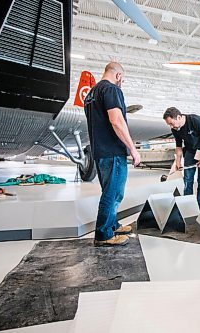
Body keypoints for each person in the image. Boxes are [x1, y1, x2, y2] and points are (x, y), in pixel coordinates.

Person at [84, 62, 141, 247]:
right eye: (122, 79)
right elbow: (116, 121)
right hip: (113, 151)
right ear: (117, 76)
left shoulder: (91, 94)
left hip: (99, 152)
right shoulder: (111, 90)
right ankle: (104, 234)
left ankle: (112, 224)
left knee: (110, 190)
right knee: (113, 193)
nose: (121, 83)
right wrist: (132, 148)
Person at [163, 107, 200, 209]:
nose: (171, 126)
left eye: (171, 123)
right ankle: (188, 206)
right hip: (190, 151)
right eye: (169, 124)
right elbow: (178, 146)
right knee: (187, 180)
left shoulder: (196, 121)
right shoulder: (175, 129)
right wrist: (178, 161)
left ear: (178, 117)